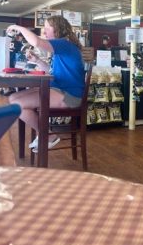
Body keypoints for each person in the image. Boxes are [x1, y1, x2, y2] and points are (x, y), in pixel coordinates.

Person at [7, 16, 85, 152]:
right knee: (12, 99)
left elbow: (36, 42)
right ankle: (45, 133)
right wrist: (37, 60)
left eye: (48, 27)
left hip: (70, 96)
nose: (45, 31)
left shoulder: (64, 43)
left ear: (58, 29)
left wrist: (19, 28)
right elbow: (52, 71)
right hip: (60, 90)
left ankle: (48, 135)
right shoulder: (63, 46)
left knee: (16, 105)